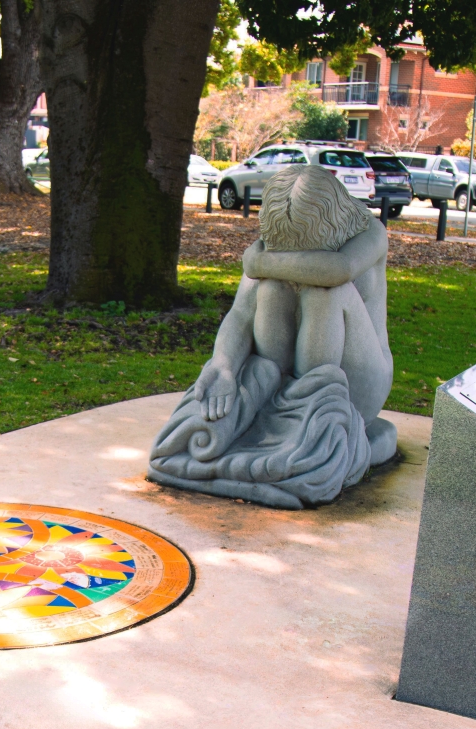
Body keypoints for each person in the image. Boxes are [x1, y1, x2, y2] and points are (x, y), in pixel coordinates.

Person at [148, 165, 397, 508]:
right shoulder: (276, 240)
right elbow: (241, 312)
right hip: (281, 370)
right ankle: (276, 427)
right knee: (272, 289)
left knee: (325, 291)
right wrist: (222, 364)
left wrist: (259, 263)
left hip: (357, 379)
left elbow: (336, 270)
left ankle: (309, 415)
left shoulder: (371, 232)